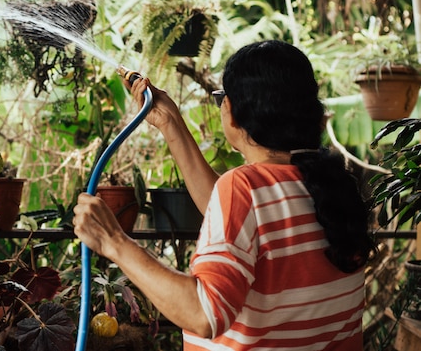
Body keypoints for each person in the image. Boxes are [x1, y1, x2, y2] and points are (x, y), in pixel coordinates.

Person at [73, 40, 375, 350]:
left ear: (230, 111)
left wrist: (114, 242)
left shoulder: (247, 188)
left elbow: (204, 314)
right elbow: (236, 217)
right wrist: (170, 122)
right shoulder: (332, 185)